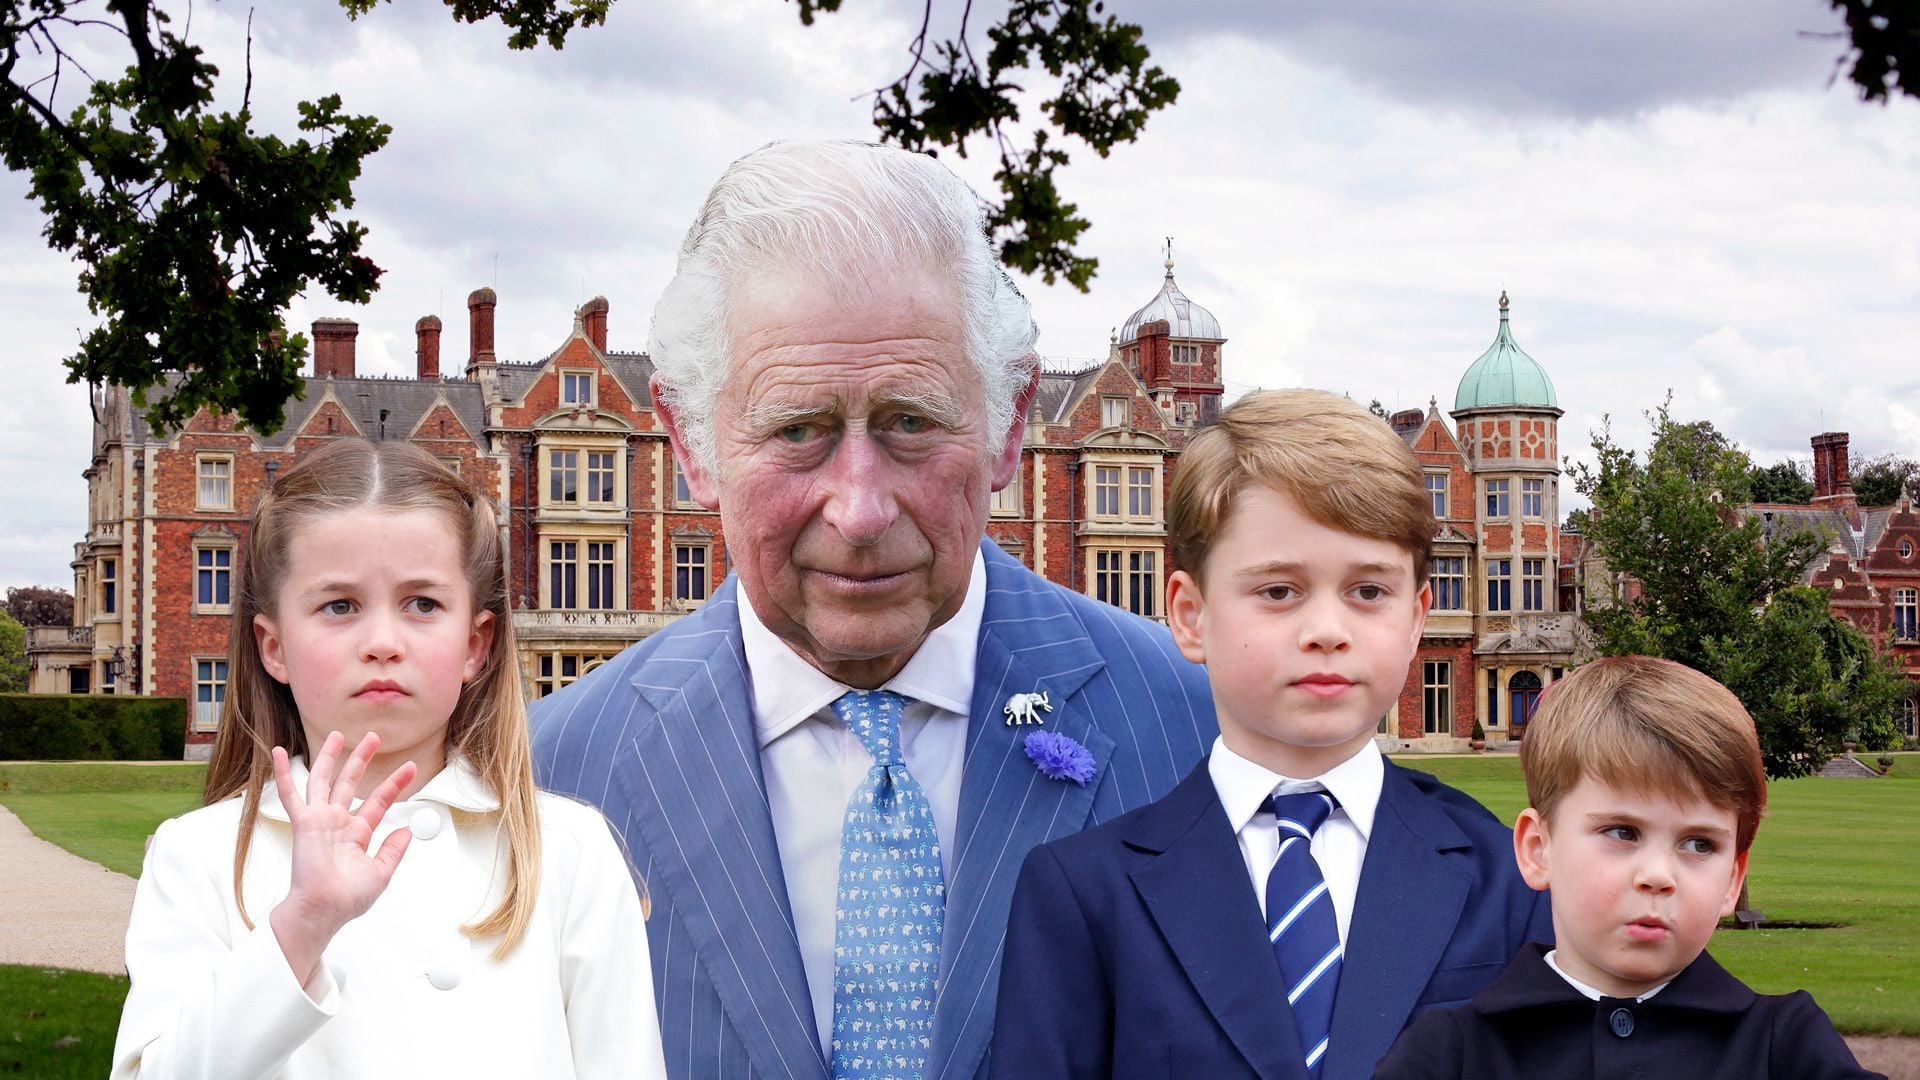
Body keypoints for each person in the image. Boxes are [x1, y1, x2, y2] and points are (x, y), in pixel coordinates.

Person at [530, 138, 1217, 1080]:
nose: (859, 511)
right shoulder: (547, 779)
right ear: (691, 443)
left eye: (911, 423)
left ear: (1009, 425)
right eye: (798, 430)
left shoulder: (1195, 724)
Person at [988, 389, 1551, 1080]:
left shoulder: (1510, 880)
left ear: (1416, 618)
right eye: (1279, 591)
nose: (1327, 630)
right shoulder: (1082, 892)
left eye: (1369, 592)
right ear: (1190, 617)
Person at [112, 440, 665, 1080]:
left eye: (422, 604)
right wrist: (300, 928)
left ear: (475, 645)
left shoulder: (568, 850)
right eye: (339, 606)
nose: (381, 643)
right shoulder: (200, 856)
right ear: (274, 647)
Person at [1375, 656, 1883, 1080]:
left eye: (1699, 844)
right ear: (1537, 849)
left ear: (1733, 879)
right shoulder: (1449, 1055)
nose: (1658, 875)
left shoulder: (1786, 1048)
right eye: (1622, 832)